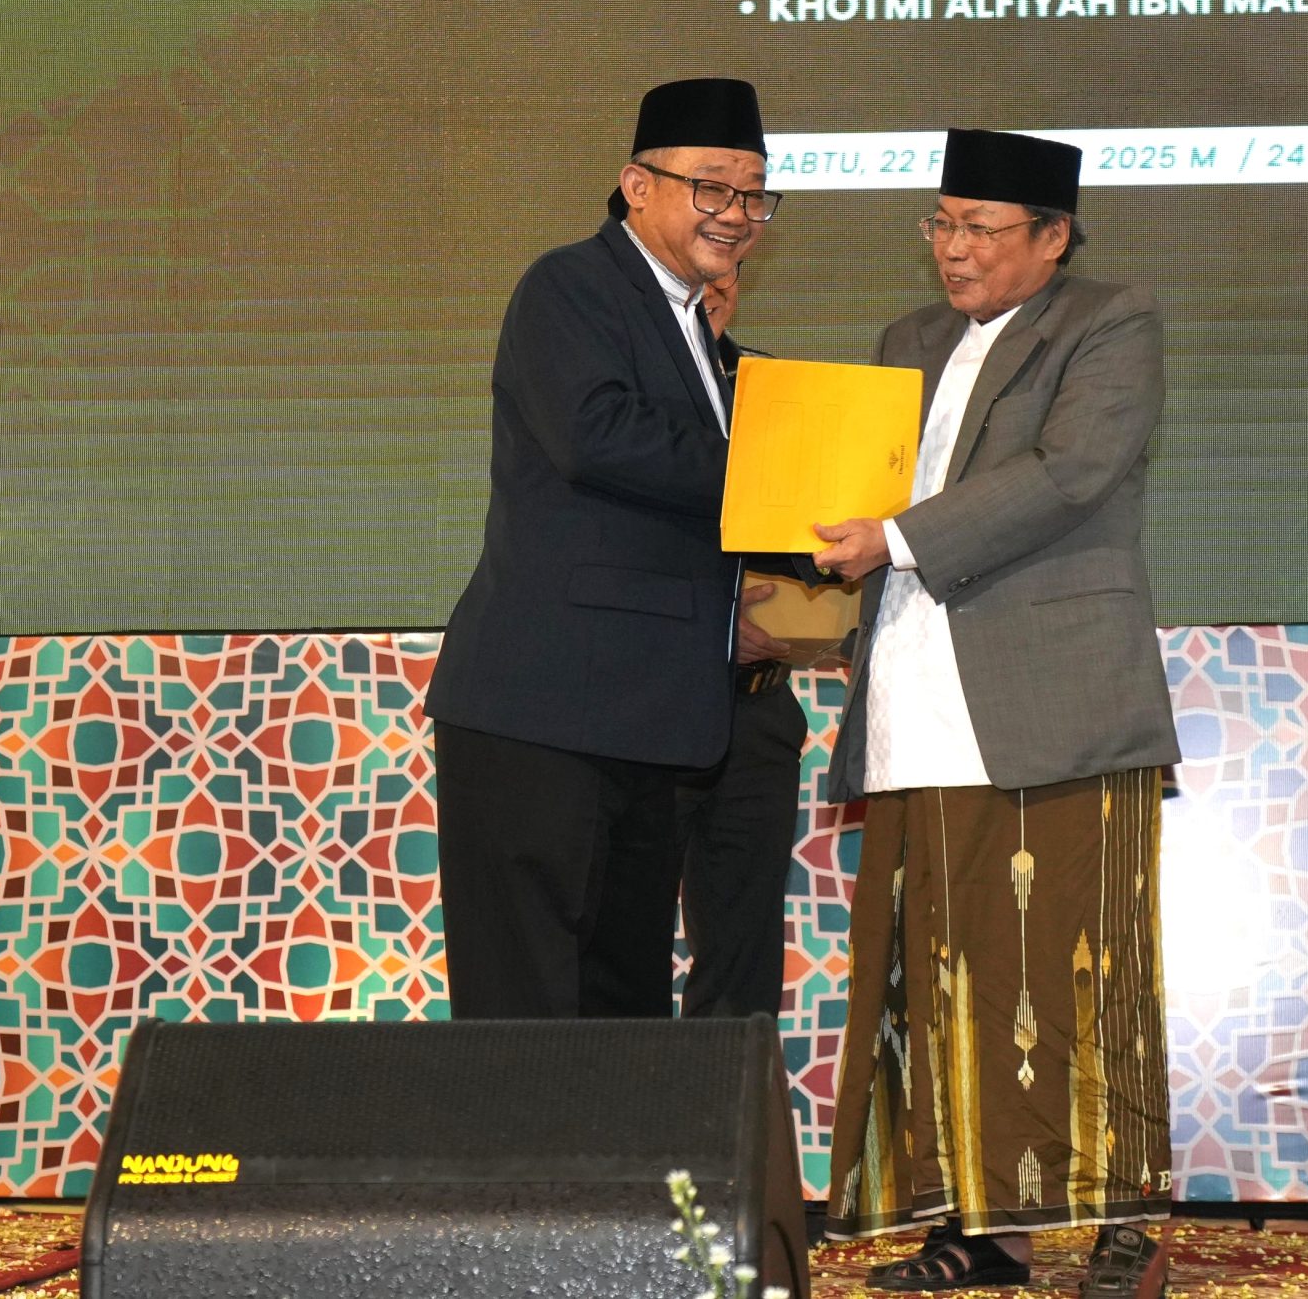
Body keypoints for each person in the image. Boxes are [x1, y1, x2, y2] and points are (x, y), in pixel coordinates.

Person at [810, 128, 1178, 1298]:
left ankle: (1124, 1222)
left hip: (1056, 697)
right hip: (912, 695)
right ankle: (980, 1232)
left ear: (1052, 236)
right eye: (940, 222)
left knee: (1081, 965)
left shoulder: (1108, 321)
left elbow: (1072, 471)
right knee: (939, 969)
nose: (952, 248)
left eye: (978, 227)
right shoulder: (906, 340)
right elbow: (858, 483)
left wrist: (893, 537)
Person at [427, 77, 789, 1020]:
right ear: (638, 185)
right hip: (546, 715)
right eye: (712, 187)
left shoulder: (698, 327)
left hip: (648, 726)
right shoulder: (571, 285)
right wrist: (783, 477)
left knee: (622, 1023)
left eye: (754, 194)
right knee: (526, 1019)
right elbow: (599, 436)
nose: (736, 213)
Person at [676, 259, 812, 1020]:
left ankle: (728, 1098)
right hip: (647, 712)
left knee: (743, 955)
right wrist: (711, 626)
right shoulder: (622, 389)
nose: (712, 291)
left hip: (757, 713)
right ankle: (622, 1095)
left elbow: (810, 528)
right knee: (616, 940)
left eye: (725, 276)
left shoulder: (773, 393)